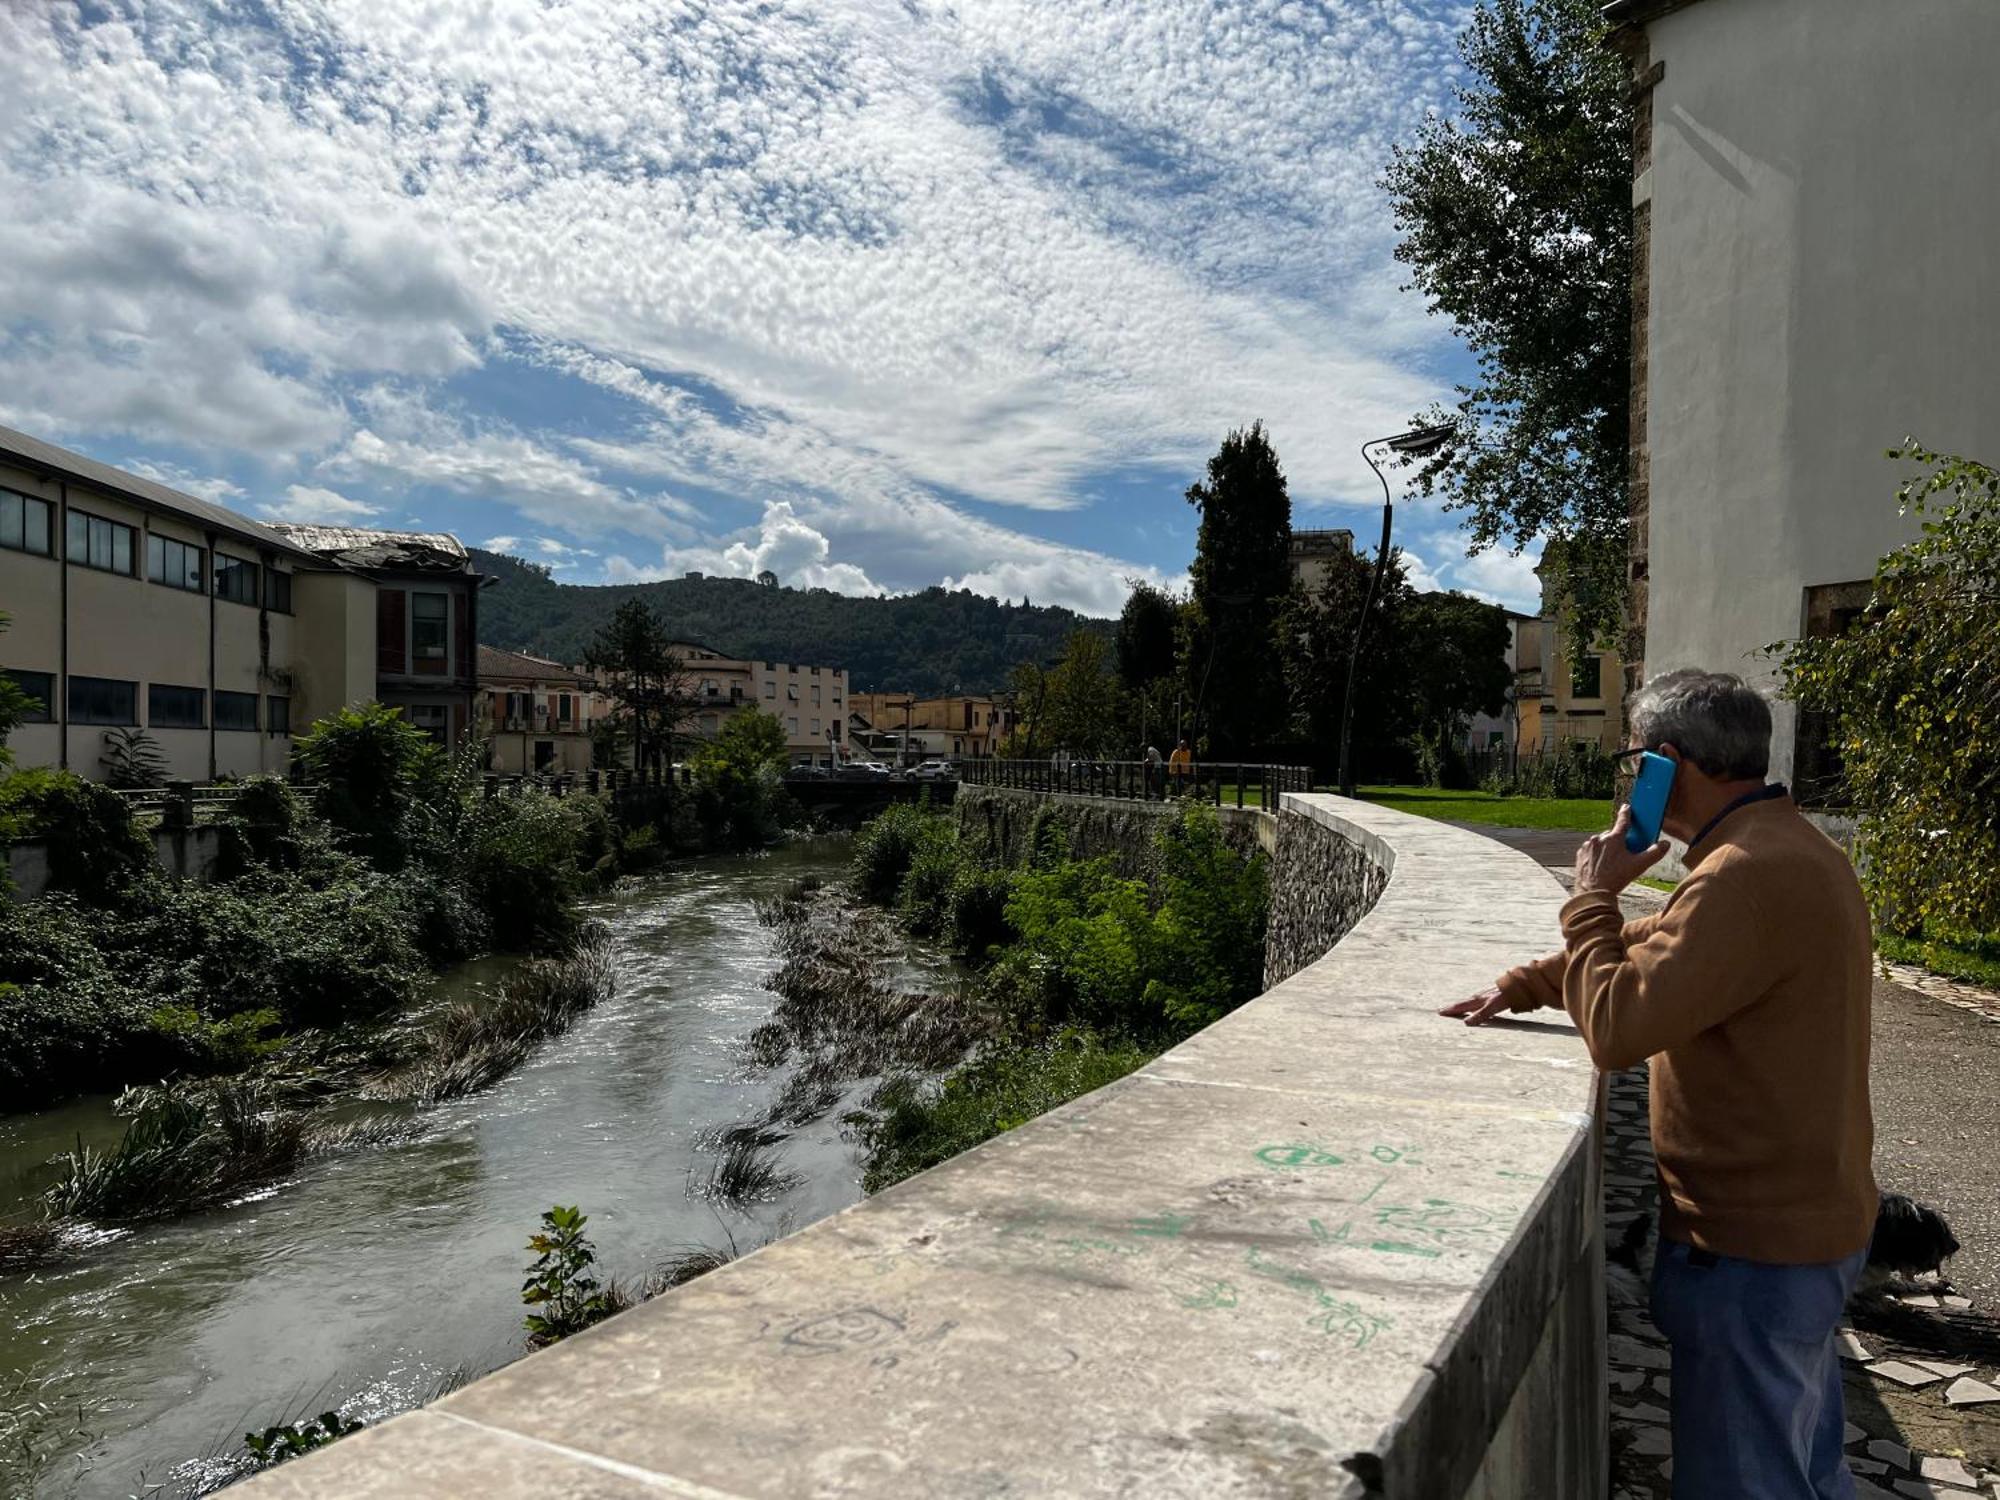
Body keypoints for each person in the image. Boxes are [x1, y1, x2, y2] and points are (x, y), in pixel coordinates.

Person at [1442, 671, 1875, 1500]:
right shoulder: (1784, 845)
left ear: (1668, 763)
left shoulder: (1741, 875)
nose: (1628, 778)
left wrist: (1590, 895)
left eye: (1632, 760)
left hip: (1752, 1248)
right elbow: (1669, 940)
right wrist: (1534, 979)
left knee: (1745, 1483)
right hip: (1812, 1224)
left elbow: (1618, 1030)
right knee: (1807, 1464)